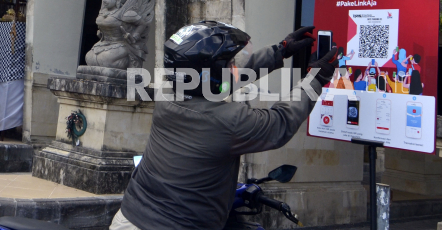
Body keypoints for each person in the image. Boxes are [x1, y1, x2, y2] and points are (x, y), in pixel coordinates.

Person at [110, 21, 339, 230]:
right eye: (229, 62)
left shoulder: (169, 94)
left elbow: (223, 80)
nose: (234, 67)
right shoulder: (227, 120)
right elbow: (281, 121)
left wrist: (280, 50)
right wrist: (315, 80)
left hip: (129, 217)